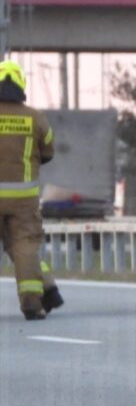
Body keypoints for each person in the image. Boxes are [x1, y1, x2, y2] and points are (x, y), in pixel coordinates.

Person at [0, 59, 62, 320]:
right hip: (23, 200)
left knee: (17, 248)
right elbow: (48, 151)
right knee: (25, 247)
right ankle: (32, 304)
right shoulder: (34, 117)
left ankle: (50, 290)